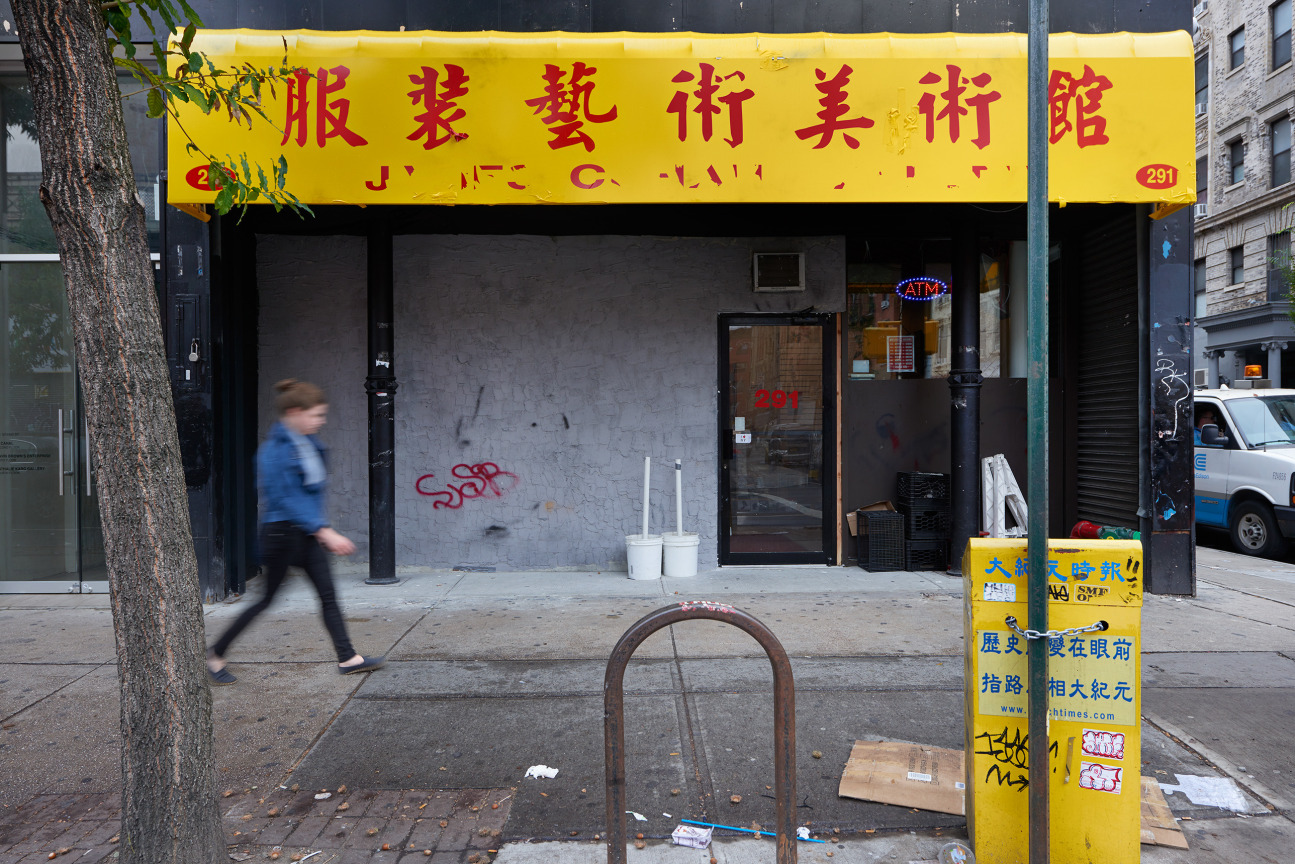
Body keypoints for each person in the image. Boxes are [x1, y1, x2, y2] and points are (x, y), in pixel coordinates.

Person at [206, 379, 384, 684]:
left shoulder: (307, 444)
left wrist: (317, 529)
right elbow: (286, 498)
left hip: (307, 533)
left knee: (328, 595)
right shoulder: (273, 452)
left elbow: (311, 489)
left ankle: (347, 657)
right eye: (316, 415)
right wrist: (325, 531)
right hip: (281, 536)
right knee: (266, 601)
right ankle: (216, 653)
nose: (321, 421)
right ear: (294, 412)